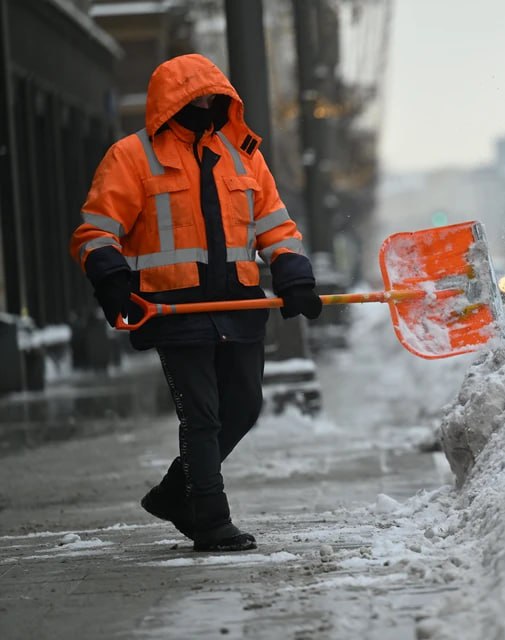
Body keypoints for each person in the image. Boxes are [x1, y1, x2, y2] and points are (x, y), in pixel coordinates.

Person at [70, 54, 323, 552]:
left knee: (243, 407)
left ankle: (173, 493)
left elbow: (276, 227)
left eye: (213, 96)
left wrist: (293, 275)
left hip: (239, 305)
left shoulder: (243, 155)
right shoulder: (131, 157)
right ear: (171, 102)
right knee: (202, 416)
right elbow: (95, 232)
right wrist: (113, 280)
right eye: (196, 97)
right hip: (174, 308)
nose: (206, 104)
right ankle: (210, 519)